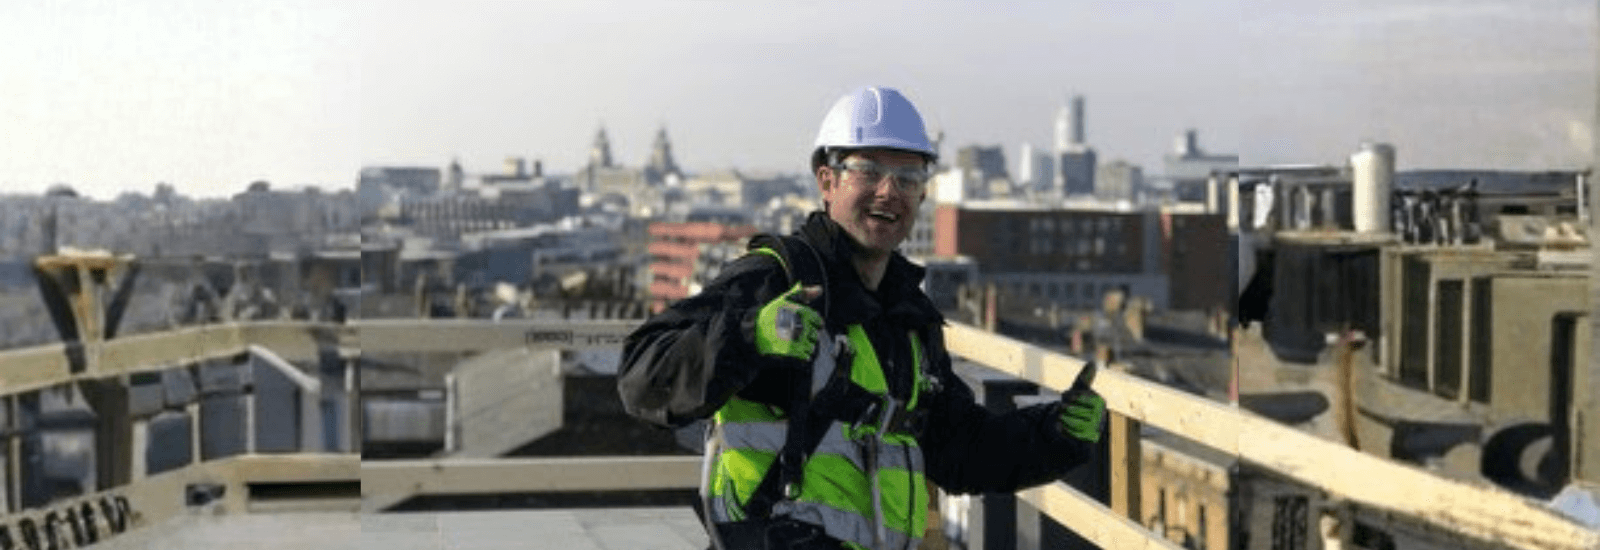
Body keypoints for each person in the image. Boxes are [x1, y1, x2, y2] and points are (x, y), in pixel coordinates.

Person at [618, 86, 1105, 550]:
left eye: (908, 177)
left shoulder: (908, 320)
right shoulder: (775, 280)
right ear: (826, 181)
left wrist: (1054, 434)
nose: (889, 192)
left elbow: (960, 450)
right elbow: (642, 375)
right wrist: (749, 338)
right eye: (868, 171)